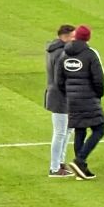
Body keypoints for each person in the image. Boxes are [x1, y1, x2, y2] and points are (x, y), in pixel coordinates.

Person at [58, 25, 104, 177]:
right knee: (99, 129)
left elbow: (59, 79)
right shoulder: (90, 54)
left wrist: (69, 94)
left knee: (80, 131)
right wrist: (98, 94)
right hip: (88, 98)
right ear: (87, 38)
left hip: (72, 99)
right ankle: (80, 160)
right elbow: (98, 79)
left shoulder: (65, 54)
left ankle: (81, 170)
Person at [43, 22, 76, 178]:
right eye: (73, 37)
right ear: (66, 37)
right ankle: (55, 167)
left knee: (67, 130)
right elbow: (61, 79)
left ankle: (60, 163)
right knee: (61, 133)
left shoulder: (53, 49)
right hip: (61, 97)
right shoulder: (62, 53)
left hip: (59, 95)